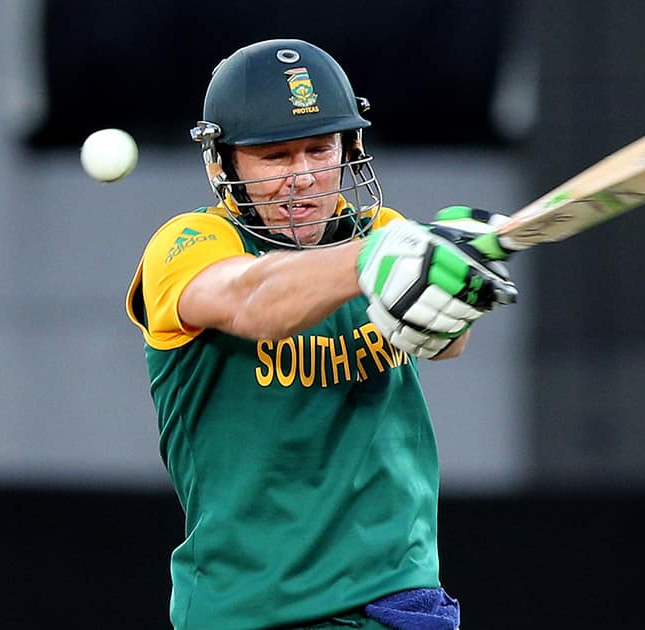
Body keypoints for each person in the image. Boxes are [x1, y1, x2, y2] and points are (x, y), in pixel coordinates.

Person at [126, 39, 516, 629]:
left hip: (395, 597)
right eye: (275, 157)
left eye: (319, 148)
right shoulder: (188, 245)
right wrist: (390, 255)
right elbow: (252, 299)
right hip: (250, 609)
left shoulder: (382, 232)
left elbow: (443, 343)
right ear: (222, 163)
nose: (303, 177)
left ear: (349, 147)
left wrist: (457, 277)